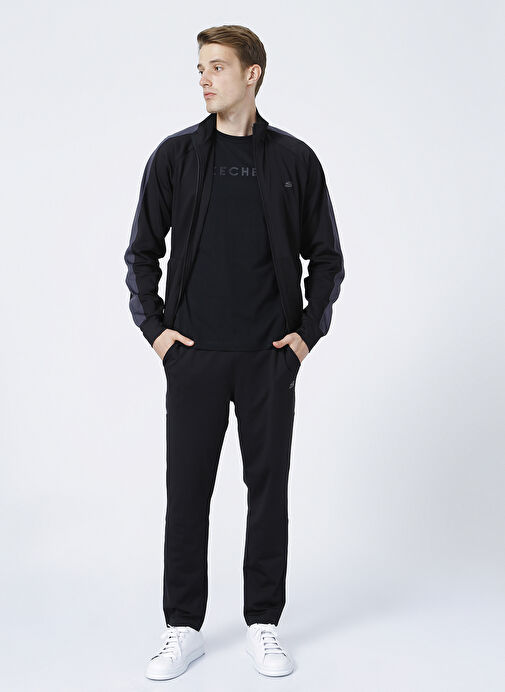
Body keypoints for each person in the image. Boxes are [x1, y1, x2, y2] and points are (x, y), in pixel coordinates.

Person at [124, 24, 345, 681]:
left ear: (252, 74)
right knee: (187, 491)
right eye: (200, 67)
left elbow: (327, 257)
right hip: (193, 355)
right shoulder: (176, 157)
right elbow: (142, 252)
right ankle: (182, 628)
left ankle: (263, 623)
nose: (204, 78)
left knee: (267, 491)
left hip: (267, 357)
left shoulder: (294, 161)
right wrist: (156, 331)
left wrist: (305, 335)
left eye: (217, 66)